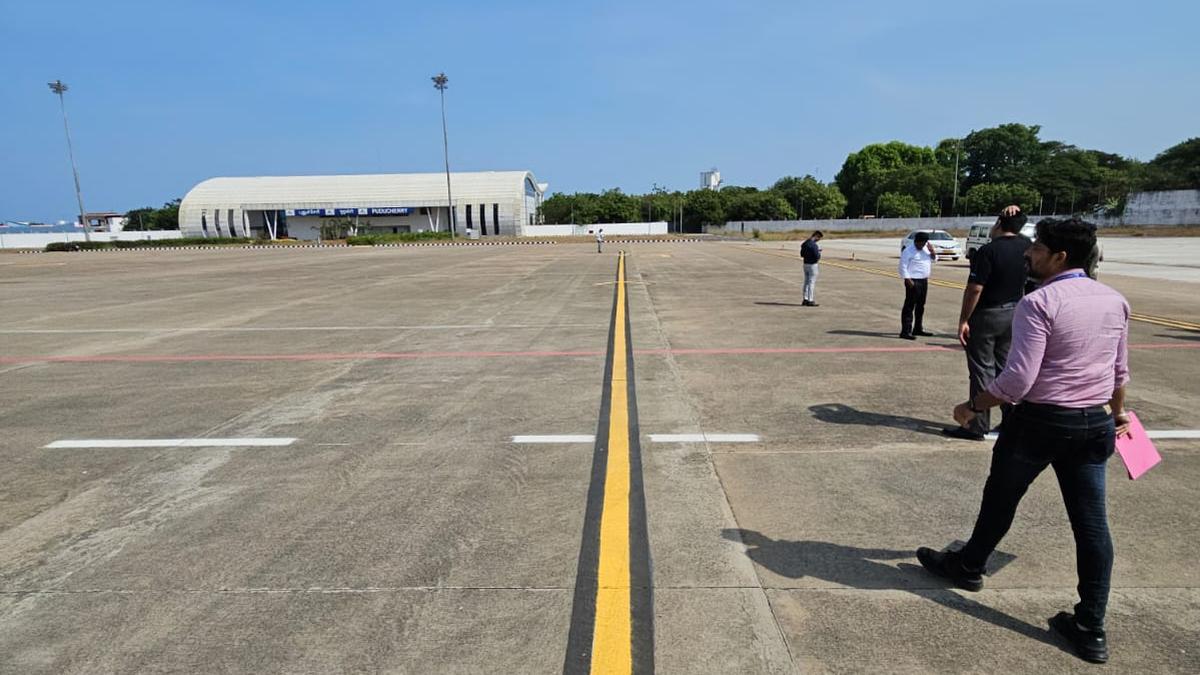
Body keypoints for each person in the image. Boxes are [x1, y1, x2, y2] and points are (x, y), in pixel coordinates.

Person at [917, 217, 1131, 665]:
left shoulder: (1039, 302)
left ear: (1060, 257)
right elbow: (1118, 372)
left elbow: (1018, 379)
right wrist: (1121, 415)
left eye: (1038, 249)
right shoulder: (1114, 300)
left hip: (1039, 422)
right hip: (1093, 424)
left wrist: (973, 405)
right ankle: (1091, 627)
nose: (1030, 255)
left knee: (1000, 500)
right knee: (1092, 524)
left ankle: (970, 566)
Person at [944, 206, 1031, 441]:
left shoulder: (988, 251)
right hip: (1014, 312)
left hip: (988, 314)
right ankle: (1012, 420)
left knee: (982, 369)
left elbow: (975, 288)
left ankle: (976, 423)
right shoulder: (1026, 248)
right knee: (1006, 367)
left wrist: (964, 319)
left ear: (999, 224)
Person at [898, 232, 936, 339]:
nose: (922, 245)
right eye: (921, 243)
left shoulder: (926, 249)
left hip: (924, 281)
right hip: (913, 281)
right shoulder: (908, 251)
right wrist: (907, 278)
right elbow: (902, 266)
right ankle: (905, 331)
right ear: (916, 241)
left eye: (924, 243)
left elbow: (934, 259)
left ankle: (918, 328)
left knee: (920, 306)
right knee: (909, 306)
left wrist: (932, 251)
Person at [800, 231, 824, 306]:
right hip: (812, 265)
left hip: (805, 264)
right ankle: (810, 300)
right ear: (816, 236)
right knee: (811, 282)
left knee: (806, 282)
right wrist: (819, 252)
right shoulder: (814, 245)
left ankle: (805, 299)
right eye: (818, 238)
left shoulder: (805, 243)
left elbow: (802, 254)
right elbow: (817, 256)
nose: (818, 240)